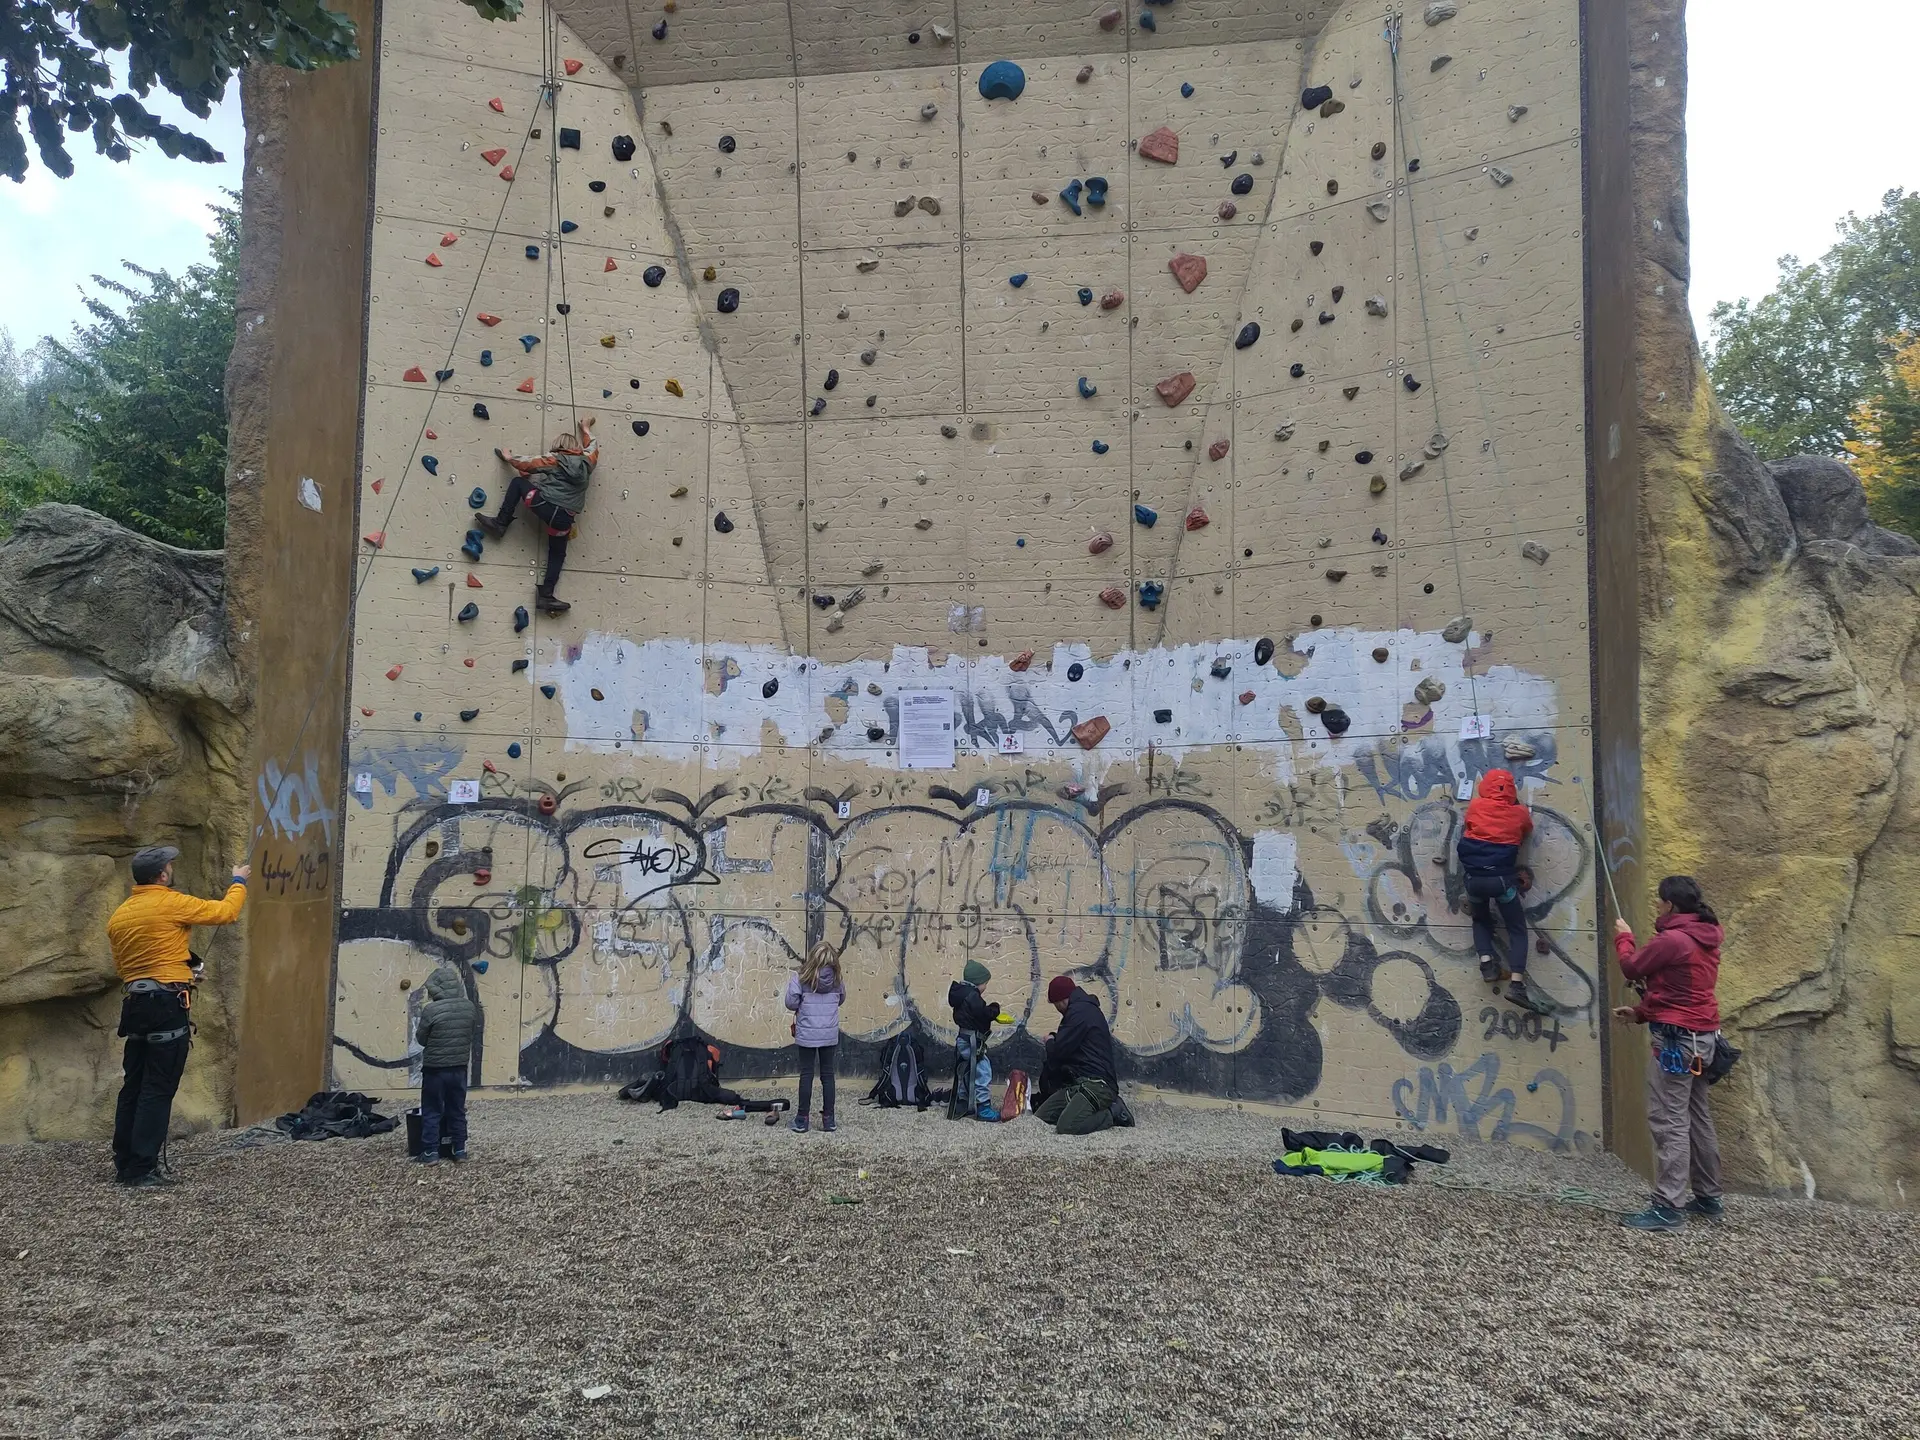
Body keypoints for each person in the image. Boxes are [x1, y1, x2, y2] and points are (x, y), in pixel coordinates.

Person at [105, 846, 249, 1187]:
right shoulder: (171, 902)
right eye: (170, 865)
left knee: (134, 1086)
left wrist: (183, 972)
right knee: (158, 1088)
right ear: (162, 875)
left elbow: (129, 967)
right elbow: (226, 912)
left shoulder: (119, 917)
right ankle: (142, 1169)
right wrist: (238, 881)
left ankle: (125, 1163)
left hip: (135, 1006)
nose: (171, 869)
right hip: (166, 1007)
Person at [1613, 876, 1726, 1231]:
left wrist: (1624, 937)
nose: (1657, 905)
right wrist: (1641, 1013)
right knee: (1697, 1115)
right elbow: (1680, 991)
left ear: (1671, 905)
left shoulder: (1673, 940)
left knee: (1669, 1119)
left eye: (1660, 901)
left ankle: (1668, 1207)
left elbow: (1632, 967)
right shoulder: (1706, 934)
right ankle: (1708, 1196)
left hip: (1677, 1043)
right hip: (1702, 1038)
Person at [478, 413, 598, 616]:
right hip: (564, 519)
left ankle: (500, 523)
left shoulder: (555, 459)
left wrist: (510, 458)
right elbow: (593, 446)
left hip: (545, 505)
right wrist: (586, 429)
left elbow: (530, 463)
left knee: (518, 483)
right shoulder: (588, 462)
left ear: (558, 446)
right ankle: (546, 596)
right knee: (557, 553)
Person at [1456, 768, 1548, 1015]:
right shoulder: (1519, 813)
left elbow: (1469, 824)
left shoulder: (1475, 806)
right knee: (1516, 929)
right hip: (1501, 882)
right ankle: (1516, 985)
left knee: (1480, 920)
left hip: (1474, 880)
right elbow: (1527, 828)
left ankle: (1487, 965)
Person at [1035, 976, 1119, 1135]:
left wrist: (1049, 1041)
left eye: (1055, 1004)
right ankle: (1081, 1108)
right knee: (1042, 1116)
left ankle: (1113, 1114)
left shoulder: (1078, 1013)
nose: (1057, 1009)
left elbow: (1059, 1051)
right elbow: (1069, 1043)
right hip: (1079, 1083)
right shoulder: (1082, 1010)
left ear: (1061, 1000)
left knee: (1067, 1126)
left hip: (1098, 1084)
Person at [414, 965, 476, 1164]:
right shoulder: (469, 1007)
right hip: (459, 1067)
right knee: (457, 1108)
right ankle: (460, 1150)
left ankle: (430, 1152)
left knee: (432, 1109)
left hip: (435, 1070)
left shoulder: (431, 1010)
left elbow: (421, 1039)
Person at [785, 943, 845, 1133]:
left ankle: (802, 1120)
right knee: (828, 1074)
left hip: (807, 1034)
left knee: (806, 1074)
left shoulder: (801, 978)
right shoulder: (837, 980)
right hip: (828, 1033)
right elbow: (841, 999)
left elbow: (790, 1003)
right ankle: (829, 1120)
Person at [947, 959, 999, 1121]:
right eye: (985, 983)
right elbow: (982, 1014)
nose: (985, 987)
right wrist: (994, 1009)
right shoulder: (972, 996)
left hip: (963, 1039)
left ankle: (962, 1102)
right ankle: (983, 1107)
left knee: (967, 1069)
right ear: (977, 982)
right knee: (983, 1070)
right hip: (972, 1041)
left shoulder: (961, 994)